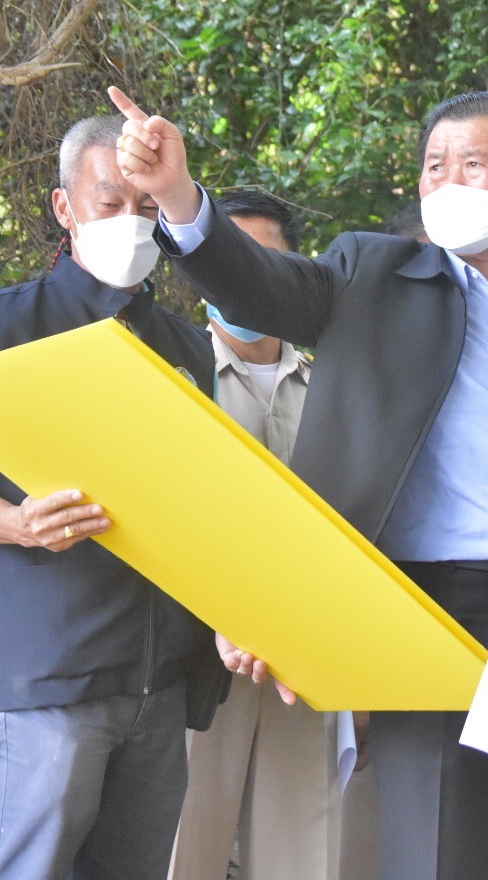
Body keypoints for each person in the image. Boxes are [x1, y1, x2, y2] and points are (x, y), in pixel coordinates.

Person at [107, 85, 488, 880]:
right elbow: (256, 284)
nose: (447, 182)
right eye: (434, 166)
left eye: (472, 164)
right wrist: (177, 196)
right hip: (432, 603)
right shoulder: (374, 273)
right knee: (437, 846)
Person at [0, 114, 219, 880]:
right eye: (109, 202)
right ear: (65, 207)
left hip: (159, 674)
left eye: (147, 207)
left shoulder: (189, 349)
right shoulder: (3, 326)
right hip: (46, 676)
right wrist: (20, 523)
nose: (131, 222)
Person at [168, 188, 357, 880]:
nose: (241, 277)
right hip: (195, 660)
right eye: (227, 257)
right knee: (181, 849)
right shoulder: (174, 376)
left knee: (304, 853)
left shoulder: (336, 388)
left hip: (304, 661)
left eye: (261, 260)